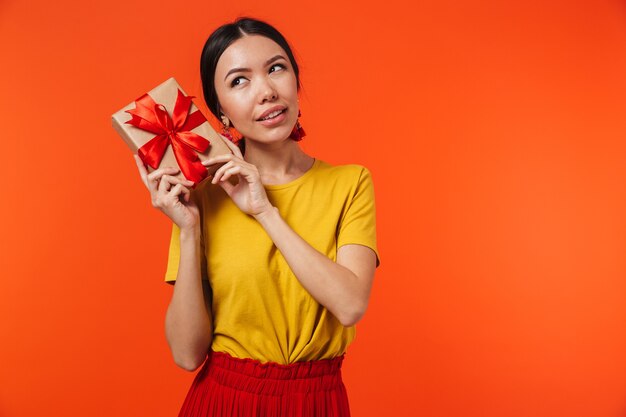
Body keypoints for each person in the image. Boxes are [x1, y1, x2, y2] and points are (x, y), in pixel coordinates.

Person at [133, 16, 380, 417]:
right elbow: (185, 353)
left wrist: (265, 211)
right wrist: (189, 230)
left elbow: (349, 304)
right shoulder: (203, 198)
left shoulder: (350, 183)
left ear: (296, 84)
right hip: (224, 400)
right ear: (222, 113)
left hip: (316, 401)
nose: (266, 91)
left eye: (276, 68)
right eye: (239, 81)